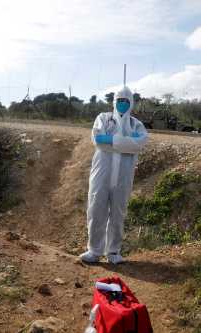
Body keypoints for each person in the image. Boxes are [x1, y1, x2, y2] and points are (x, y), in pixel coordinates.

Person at [80, 86, 148, 264]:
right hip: (101, 174)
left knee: (118, 213)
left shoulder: (136, 124)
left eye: (126, 101)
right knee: (96, 210)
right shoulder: (103, 118)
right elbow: (97, 140)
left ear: (131, 103)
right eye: (120, 100)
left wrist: (111, 139)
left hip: (123, 177)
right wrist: (126, 142)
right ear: (114, 101)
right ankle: (94, 251)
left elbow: (139, 144)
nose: (123, 104)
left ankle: (113, 252)